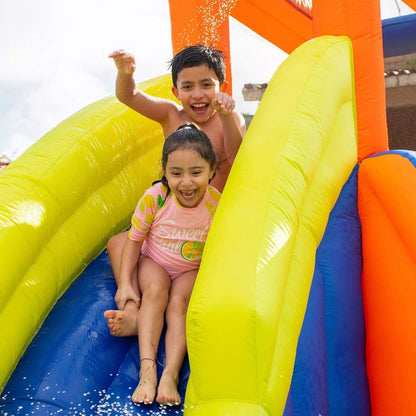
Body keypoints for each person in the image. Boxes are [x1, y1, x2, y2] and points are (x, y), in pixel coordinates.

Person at [105, 44, 245, 337]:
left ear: (221, 87)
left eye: (207, 85)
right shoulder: (171, 115)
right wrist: (125, 73)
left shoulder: (229, 120)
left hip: (204, 224)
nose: (197, 94)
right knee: (118, 243)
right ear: (175, 91)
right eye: (188, 86)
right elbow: (128, 96)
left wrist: (228, 115)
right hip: (170, 220)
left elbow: (236, 156)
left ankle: (159, 300)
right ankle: (131, 307)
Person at [104, 124, 221, 406]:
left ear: (211, 170)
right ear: (165, 172)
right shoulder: (156, 198)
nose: (186, 183)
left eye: (196, 172)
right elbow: (133, 241)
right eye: (176, 173)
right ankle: (148, 371)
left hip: (190, 269)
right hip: (155, 261)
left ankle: (170, 374)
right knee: (156, 290)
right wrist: (126, 285)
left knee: (178, 303)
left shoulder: (216, 204)